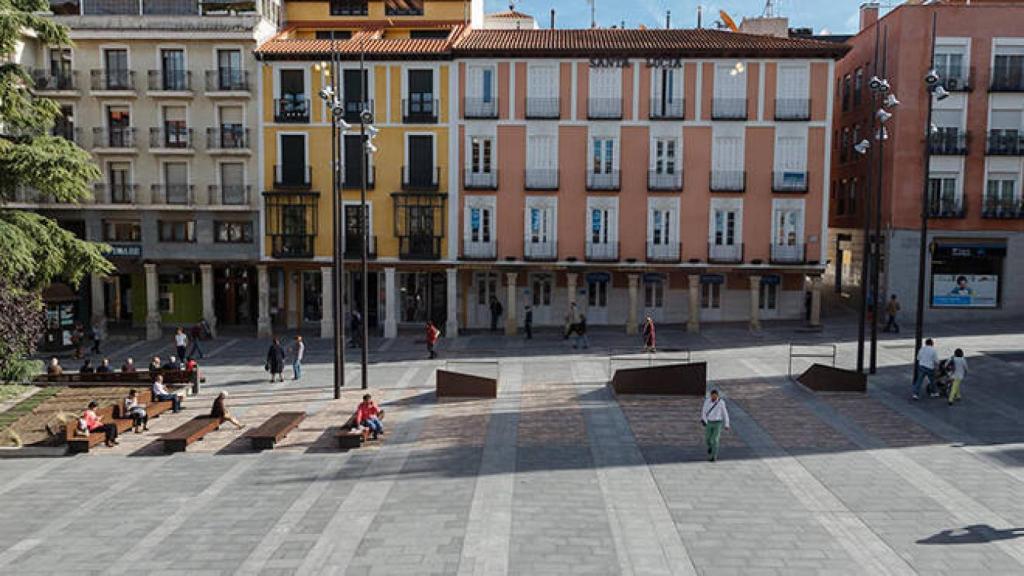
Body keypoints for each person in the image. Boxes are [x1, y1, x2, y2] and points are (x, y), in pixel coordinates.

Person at [701, 389, 731, 462]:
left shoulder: (721, 403)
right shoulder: (707, 401)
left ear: (717, 396)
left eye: (715, 396)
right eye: (712, 396)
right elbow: (703, 411)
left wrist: (727, 424)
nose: (713, 397)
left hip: (718, 423)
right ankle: (710, 447)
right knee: (707, 439)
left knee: (715, 439)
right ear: (710, 395)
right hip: (709, 422)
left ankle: (713, 456)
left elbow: (725, 413)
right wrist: (704, 420)